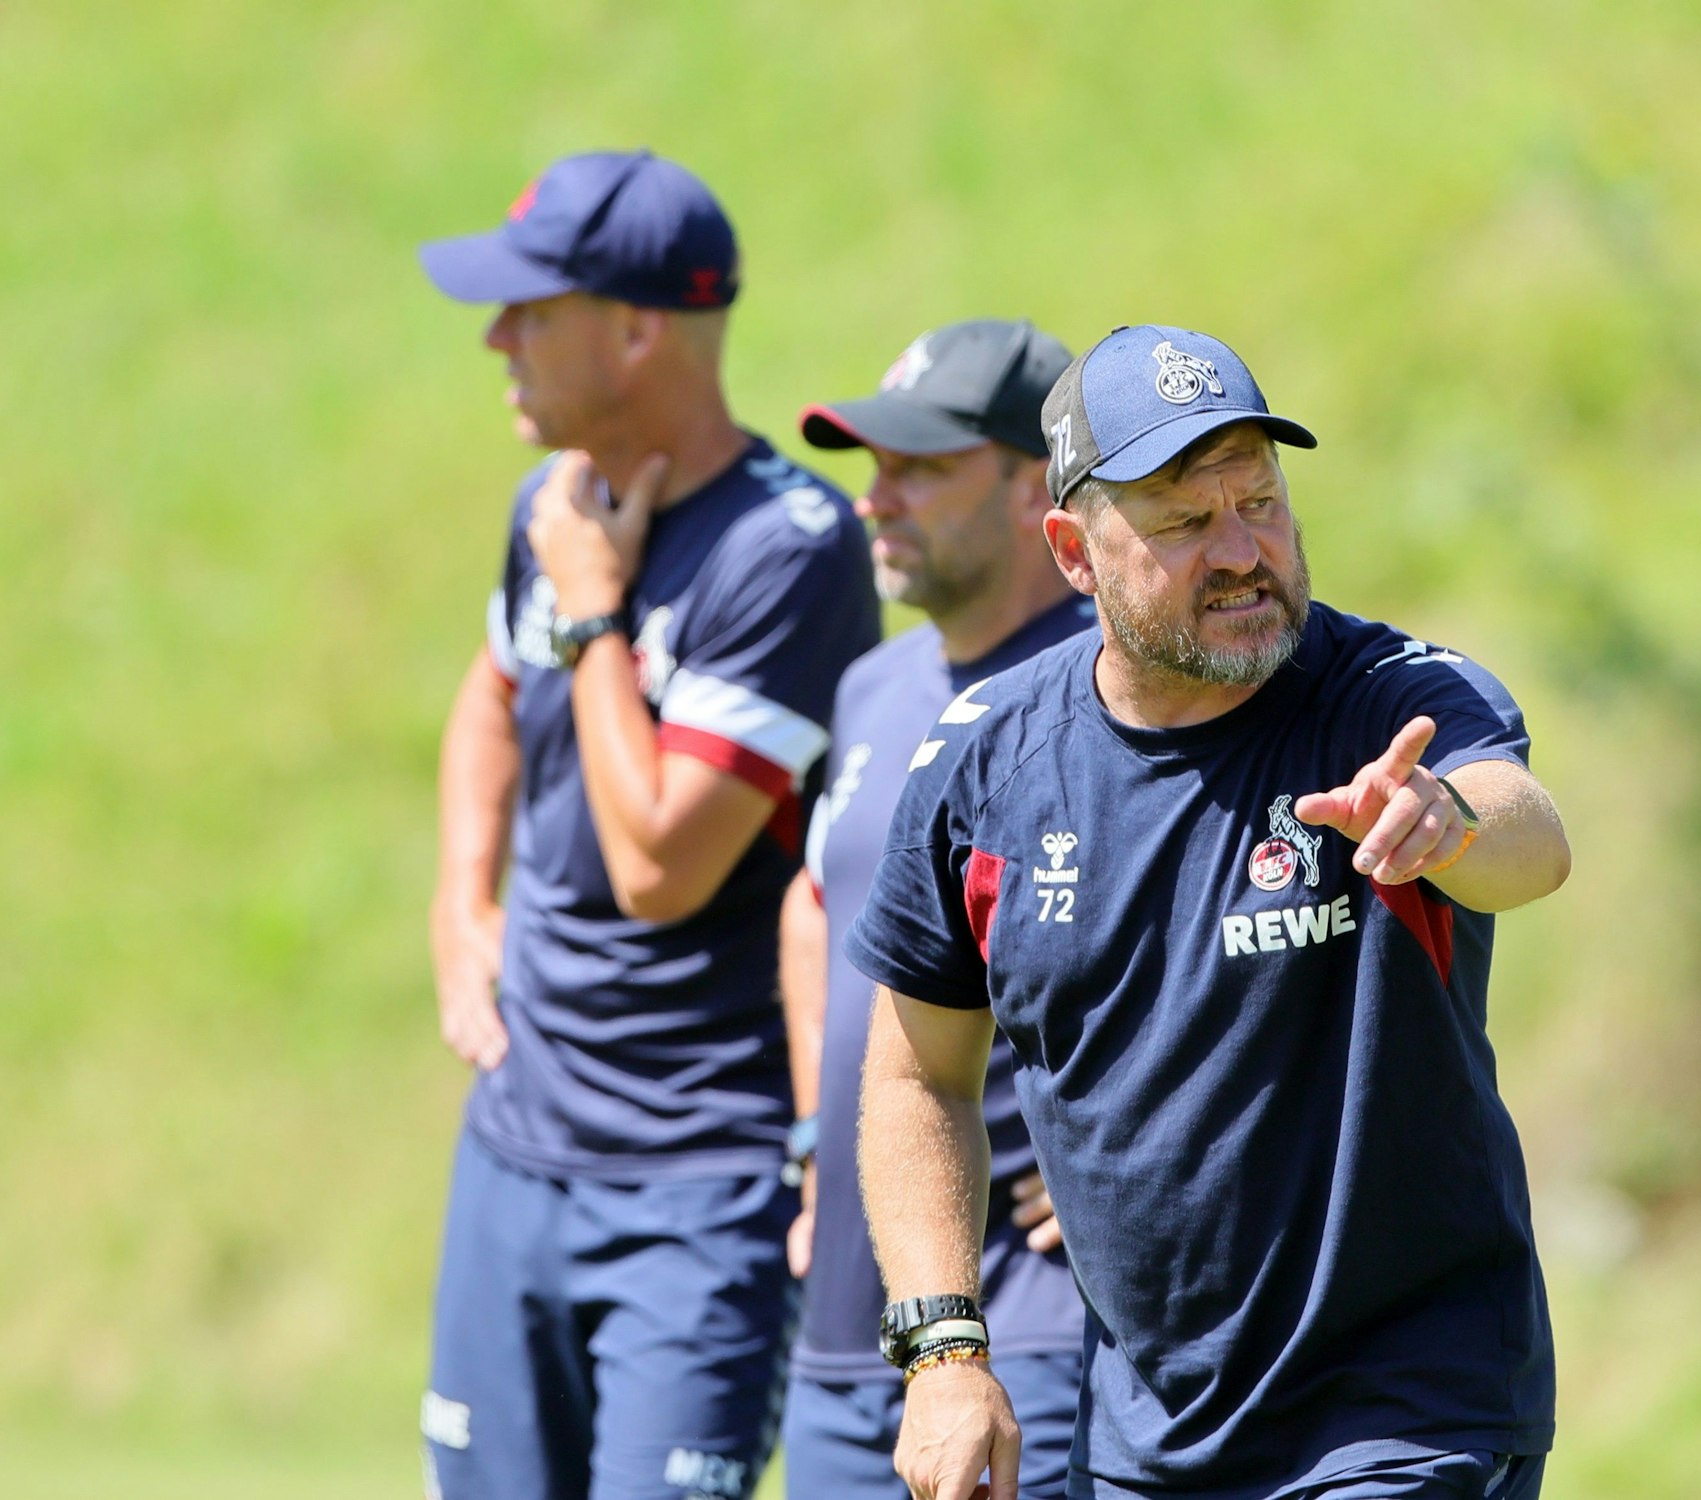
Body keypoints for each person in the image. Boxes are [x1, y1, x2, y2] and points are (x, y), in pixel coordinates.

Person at [844, 326, 1573, 1500]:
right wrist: (942, 1352)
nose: (1241, 551)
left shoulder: (1386, 700)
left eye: (1259, 501)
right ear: (1073, 553)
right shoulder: (985, 764)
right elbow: (915, 1077)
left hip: (1402, 1414)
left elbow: (1527, 836)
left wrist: (1446, 823)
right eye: (1184, 521)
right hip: (1144, 1440)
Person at [416, 148, 879, 1500]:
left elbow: (659, 866)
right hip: (515, 1152)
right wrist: (461, 901)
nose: (496, 339)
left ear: (635, 333)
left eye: (530, 310)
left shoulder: (786, 551)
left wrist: (595, 612)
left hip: (699, 1181)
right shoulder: (558, 503)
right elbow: (488, 701)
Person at [778, 320, 1095, 1500]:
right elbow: (814, 905)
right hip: (844, 1338)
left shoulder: (1112, 690)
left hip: (1028, 1333)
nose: (875, 498)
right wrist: (817, 1146)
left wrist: (1137, 1148)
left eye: (918, 467)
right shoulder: (871, 686)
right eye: (873, 467)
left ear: (1030, 489)